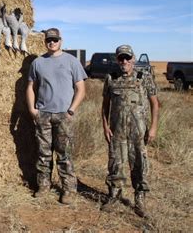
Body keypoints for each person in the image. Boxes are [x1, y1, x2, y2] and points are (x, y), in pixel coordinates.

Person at [26, 28, 87, 205]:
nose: (51, 42)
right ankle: (43, 186)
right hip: (43, 114)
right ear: (44, 41)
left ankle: (68, 189)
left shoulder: (71, 61)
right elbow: (30, 86)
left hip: (63, 115)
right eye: (48, 40)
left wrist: (71, 110)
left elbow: (81, 89)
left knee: (64, 154)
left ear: (61, 40)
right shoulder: (38, 62)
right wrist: (32, 109)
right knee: (43, 153)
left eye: (55, 39)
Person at [101, 45, 159, 218]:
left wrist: (154, 127)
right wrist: (105, 126)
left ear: (133, 59)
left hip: (138, 133)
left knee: (140, 166)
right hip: (117, 132)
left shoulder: (144, 77)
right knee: (115, 165)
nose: (124, 61)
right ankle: (114, 195)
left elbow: (155, 103)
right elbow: (105, 105)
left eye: (127, 58)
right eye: (121, 58)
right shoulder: (111, 78)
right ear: (117, 60)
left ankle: (140, 199)